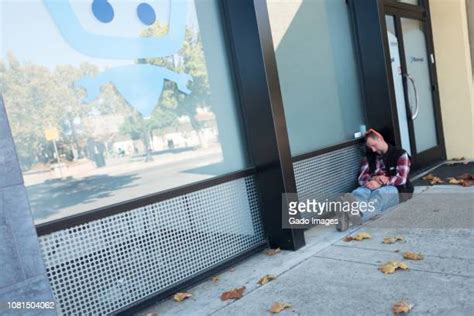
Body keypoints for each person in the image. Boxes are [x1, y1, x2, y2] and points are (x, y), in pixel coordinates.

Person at [336, 128, 414, 231]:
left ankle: (348, 218)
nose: (372, 149)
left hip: (396, 189)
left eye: (374, 145)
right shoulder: (368, 157)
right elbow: (361, 178)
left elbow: (401, 179)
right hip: (372, 185)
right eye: (370, 147)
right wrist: (373, 178)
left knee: (379, 196)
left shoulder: (400, 154)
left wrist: (380, 183)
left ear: (380, 139)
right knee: (360, 192)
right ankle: (351, 214)